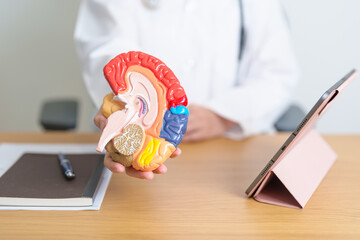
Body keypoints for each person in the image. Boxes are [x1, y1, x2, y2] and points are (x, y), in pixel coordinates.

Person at [74, 0, 299, 179]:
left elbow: (276, 75)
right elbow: (108, 52)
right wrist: (129, 110)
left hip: (230, 156)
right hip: (130, 160)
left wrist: (221, 115)